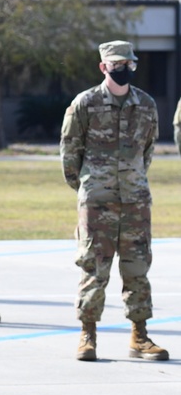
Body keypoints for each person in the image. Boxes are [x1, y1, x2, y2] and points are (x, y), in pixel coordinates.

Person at [60, 40, 168, 362]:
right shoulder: (85, 104)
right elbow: (69, 154)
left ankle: (140, 336)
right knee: (94, 267)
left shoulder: (146, 105)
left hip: (135, 201)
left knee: (137, 268)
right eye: (117, 65)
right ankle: (87, 335)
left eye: (128, 64)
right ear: (103, 67)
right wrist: (88, 188)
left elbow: (147, 151)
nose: (123, 70)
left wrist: (132, 180)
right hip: (98, 202)